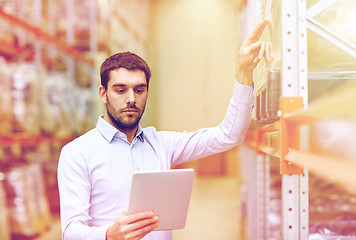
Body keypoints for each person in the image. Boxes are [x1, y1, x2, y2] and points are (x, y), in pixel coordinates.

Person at [57, 20, 270, 240]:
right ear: (103, 93)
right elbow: (71, 231)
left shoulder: (161, 143)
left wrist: (244, 72)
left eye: (139, 90)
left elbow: (229, 135)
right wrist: (109, 235)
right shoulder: (77, 153)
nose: (131, 99)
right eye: (120, 90)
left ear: (147, 92)